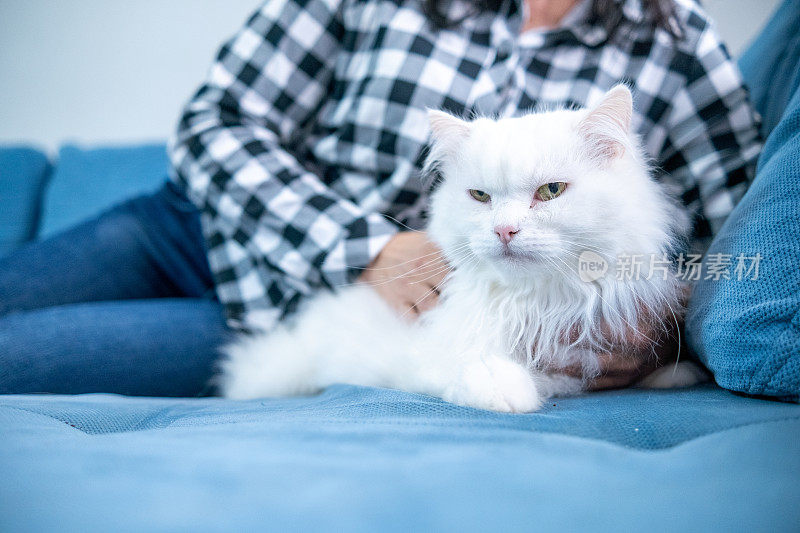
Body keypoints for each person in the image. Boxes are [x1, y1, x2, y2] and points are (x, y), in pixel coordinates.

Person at [0, 0, 761, 396]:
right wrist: (368, 248)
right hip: (194, 226)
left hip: (291, 315)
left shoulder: (677, 40)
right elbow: (217, 120)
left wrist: (666, 328)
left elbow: (744, 229)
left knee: (17, 360)